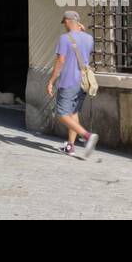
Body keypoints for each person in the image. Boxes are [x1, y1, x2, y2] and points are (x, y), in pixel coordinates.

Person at [45, 11, 99, 158]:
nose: (64, 25)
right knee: (73, 113)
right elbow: (84, 53)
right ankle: (70, 146)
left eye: (65, 22)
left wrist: (51, 81)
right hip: (82, 82)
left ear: (68, 21)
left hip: (68, 80)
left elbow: (61, 61)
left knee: (61, 113)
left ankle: (87, 136)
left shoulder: (65, 38)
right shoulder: (89, 38)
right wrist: (82, 32)